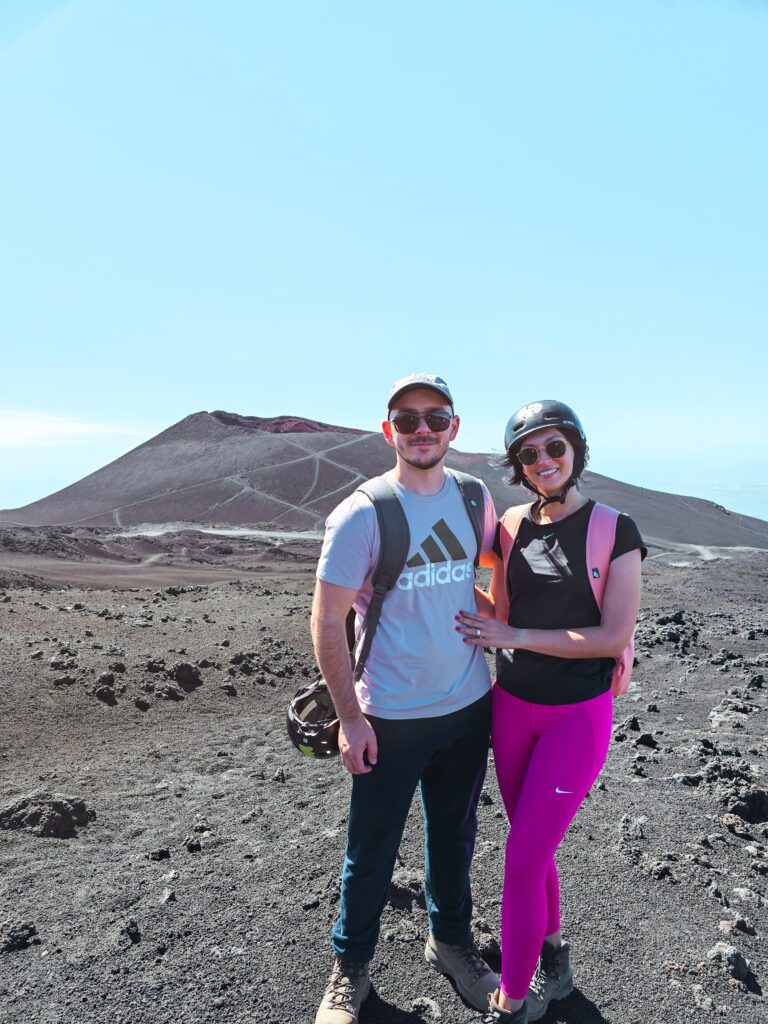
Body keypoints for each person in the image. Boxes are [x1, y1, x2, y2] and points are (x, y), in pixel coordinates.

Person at [311, 373, 499, 1024]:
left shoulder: (476, 498)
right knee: (372, 849)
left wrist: (602, 637)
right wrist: (350, 718)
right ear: (388, 430)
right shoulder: (362, 513)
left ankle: (450, 944)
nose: (423, 429)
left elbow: (490, 577)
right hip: (389, 715)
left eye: (436, 417)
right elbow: (327, 620)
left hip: (470, 706)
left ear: (454, 427)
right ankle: (351, 969)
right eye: (408, 419)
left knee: (454, 834)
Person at [456, 400, 645, 1024]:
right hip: (512, 707)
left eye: (554, 448)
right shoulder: (509, 524)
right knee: (531, 848)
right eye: (529, 453)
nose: (543, 462)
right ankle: (553, 950)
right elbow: (498, 599)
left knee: (521, 859)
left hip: (574, 718)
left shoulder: (616, 530)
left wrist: (515, 638)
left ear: (576, 451)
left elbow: (612, 635)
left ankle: (513, 1003)